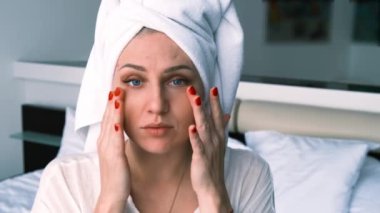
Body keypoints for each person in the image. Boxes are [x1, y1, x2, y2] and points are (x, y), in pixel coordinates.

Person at [32, 0, 275, 212]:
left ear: (206, 87)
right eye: (135, 81)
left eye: (177, 81)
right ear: (109, 91)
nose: (157, 105)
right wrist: (110, 201)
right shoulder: (65, 180)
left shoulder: (249, 174)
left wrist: (214, 197)